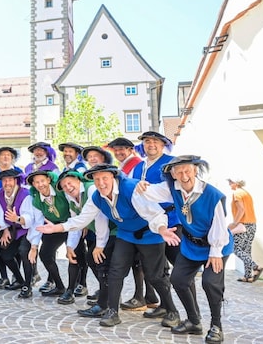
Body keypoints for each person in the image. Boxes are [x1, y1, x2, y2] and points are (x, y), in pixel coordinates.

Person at [37, 164, 181, 329]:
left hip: (149, 233)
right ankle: (112, 311)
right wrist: (56, 228)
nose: (101, 183)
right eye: (97, 179)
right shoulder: (97, 197)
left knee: (155, 275)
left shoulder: (130, 188)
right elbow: (82, 219)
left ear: (113, 177)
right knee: (115, 271)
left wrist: (162, 230)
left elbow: (155, 213)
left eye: (104, 178)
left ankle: (172, 311)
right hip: (125, 234)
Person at [136, 155, 233, 343]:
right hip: (191, 245)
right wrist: (142, 187)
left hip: (216, 245)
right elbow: (151, 192)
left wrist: (215, 252)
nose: (184, 175)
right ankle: (194, 321)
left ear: (195, 170)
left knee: (210, 282)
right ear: (173, 174)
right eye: (178, 171)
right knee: (178, 280)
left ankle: (216, 326)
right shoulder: (173, 188)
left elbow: (220, 226)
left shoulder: (212, 194)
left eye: (187, 170)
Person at [125, 131, 177, 313]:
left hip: (171, 222)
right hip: (147, 224)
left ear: (163, 145)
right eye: (147, 142)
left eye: (155, 141)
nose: (151, 145)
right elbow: (131, 190)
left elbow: (174, 188)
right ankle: (162, 304)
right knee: (155, 267)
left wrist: (149, 190)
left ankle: (183, 311)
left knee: (177, 266)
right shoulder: (139, 167)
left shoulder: (172, 162)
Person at [54, 170, 111, 310]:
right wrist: (70, 246)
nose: (68, 187)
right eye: (64, 186)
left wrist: (100, 244)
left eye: (69, 183)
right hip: (99, 232)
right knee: (92, 259)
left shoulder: (91, 189)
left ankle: (108, 296)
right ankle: (107, 293)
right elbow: (75, 221)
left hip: (112, 229)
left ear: (78, 180)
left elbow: (101, 218)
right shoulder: (70, 197)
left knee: (98, 260)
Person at [0, 169, 37, 298]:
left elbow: (29, 217)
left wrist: (17, 219)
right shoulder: (0, 194)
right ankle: (19, 280)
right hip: (12, 229)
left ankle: (27, 285)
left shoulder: (25, 194)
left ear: (15, 181)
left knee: (24, 252)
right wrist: (3, 227)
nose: (7, 183)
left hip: (28, 229)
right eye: (5, 181)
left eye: (10, 180)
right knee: (6, 254)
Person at [27, 170, 70, 297]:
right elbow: (38, 222)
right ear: (34, 185)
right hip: (52, 227)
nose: (40, 185)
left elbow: (73, 205)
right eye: (37, 182)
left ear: (48, 180)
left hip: (71, 223)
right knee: (45, 253)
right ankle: (59, 286)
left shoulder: (60, 190)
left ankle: (78, 285)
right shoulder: (37, 200)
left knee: (76, 253)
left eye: (42, 181)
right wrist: (34, 246)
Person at [227, 177, 262, 282]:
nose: (229, 184)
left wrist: (234, 223)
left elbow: (241, 209)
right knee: (246, 250)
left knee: (236, 249)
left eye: (230, 182)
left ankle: (255, 267)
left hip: (242, 225)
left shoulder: (237, 193)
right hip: (252, 224)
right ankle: (248, 276)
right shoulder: (246, 193)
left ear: (235, 183)